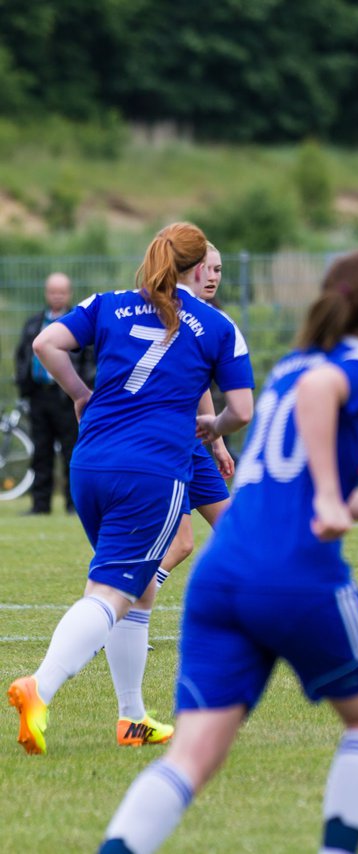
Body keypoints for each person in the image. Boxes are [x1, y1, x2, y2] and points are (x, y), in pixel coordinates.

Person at [96, 250, 358, 854]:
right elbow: (323, 415)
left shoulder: (292, 365)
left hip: (223, 573)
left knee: (192, 756)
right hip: (294, 575)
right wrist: (328, 496)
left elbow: (291, 481)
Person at [8, 222, 255, 756]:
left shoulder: (111, 303)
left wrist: (80, 393)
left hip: (90, 464)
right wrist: (214, 431)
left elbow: (46, 343)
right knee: (111, 593)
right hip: (150, 472)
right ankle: (40, 687)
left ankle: (132, 718)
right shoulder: (217, 326)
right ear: (198, 268)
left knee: (139, 587)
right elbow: (243, 410)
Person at [154, 242, 238, 595]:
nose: (213, 277)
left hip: (193, 441)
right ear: (188, 270)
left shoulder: (206, 316)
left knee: (236, 529)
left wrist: (216, 442)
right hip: (165, 441)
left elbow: (199, 384)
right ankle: (117, 609)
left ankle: (255, 616)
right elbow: (242, 409)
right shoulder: (167, 314)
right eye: (208, 268)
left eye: (219, 270)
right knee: (180, 544)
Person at [13, 272, 95, 515]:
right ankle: (40, 505)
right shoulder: (33, 324)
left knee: (72, 450)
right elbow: (23, 357)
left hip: (68, 397)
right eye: (53, 291)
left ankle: (73, 504)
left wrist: (82, 387)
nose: (57, 296)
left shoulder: (78, 323)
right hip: (39, 396)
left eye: (62, 291)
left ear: (68, 293)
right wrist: (24, 386)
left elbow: (89, 358)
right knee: (41, 451)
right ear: (47, 293)